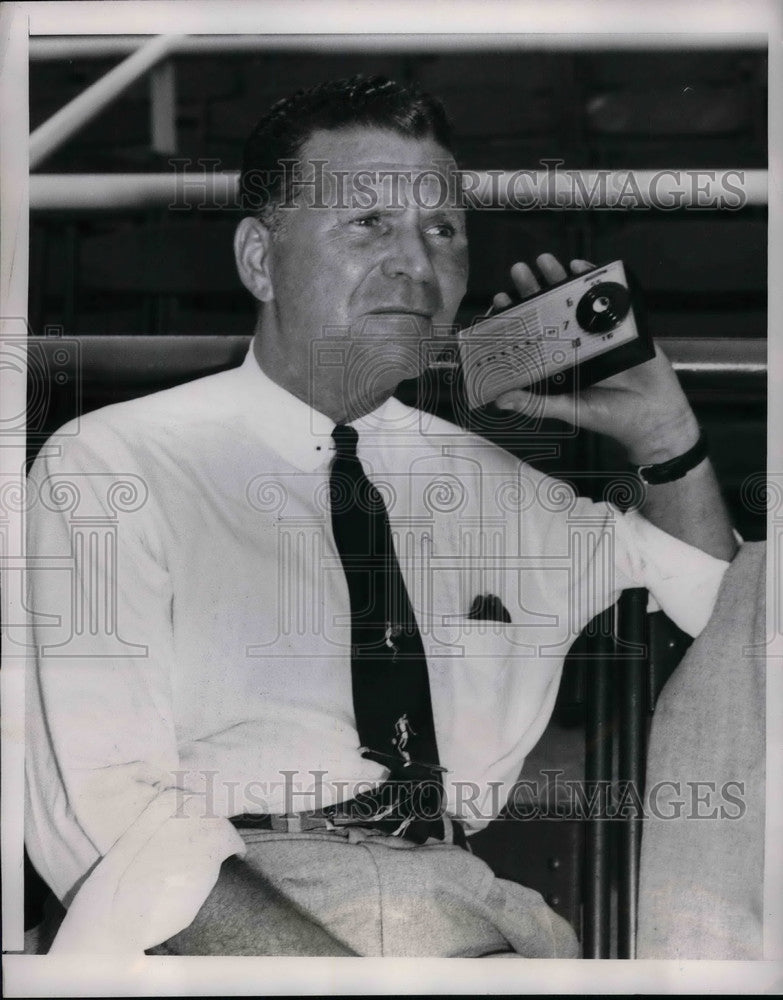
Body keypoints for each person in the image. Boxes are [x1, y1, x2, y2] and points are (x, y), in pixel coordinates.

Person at [25, 75, 738, 957]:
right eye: (367, 225)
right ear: (260, 260)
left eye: (441, 230)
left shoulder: (493, 487)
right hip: (223, 914)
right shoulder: (110, 465)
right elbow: (106, 811)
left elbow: (731, 625)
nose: (416, 263)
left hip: (474, 921)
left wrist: (665, 437)